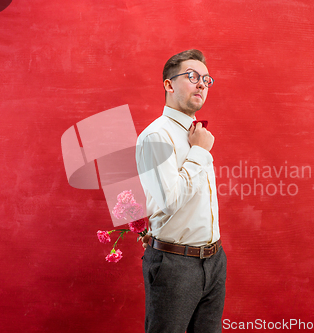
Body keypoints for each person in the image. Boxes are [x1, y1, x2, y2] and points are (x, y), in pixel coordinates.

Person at [136, 49, 226, 333]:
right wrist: (199, 151)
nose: (201, 84)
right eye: (191, 76)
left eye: (206, 79)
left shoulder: (197, 134)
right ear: (168, 84)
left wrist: (198, 145)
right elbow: (170, 200)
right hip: (175, 264)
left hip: (214, 261)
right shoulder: (156, 136)